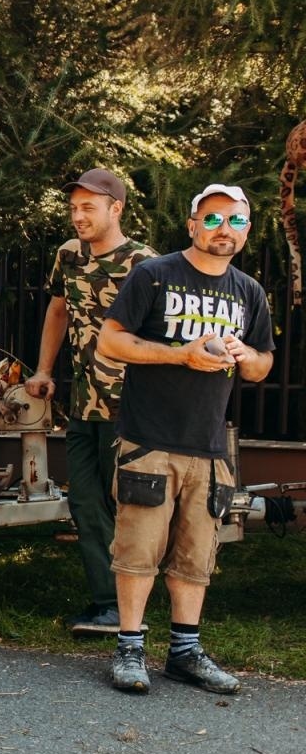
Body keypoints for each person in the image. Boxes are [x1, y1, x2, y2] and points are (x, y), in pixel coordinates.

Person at [96, 183, 274, 695]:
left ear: (247, 230)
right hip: (149, 439)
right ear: (193, 224)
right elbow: (111, 341)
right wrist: (182, 354)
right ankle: (130, 648)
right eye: (213, 218)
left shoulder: (250, 292)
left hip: (209, 446)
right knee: (138, 550)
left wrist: (244, 354)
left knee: (196, 557)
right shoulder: (155, 274)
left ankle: (184, 653)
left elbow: (262, 364)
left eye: (235, 220)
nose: (224, 229)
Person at [23, 169, 156, 637]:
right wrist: (43, 370)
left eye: (88, 207)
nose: (78, 216)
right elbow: (59, 309)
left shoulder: (145, 263)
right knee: (84, 502)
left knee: (129, 505)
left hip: (133, 407)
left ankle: (128, 603)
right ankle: (108, 604)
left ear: (115, 209)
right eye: (74, 208)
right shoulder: (68, 254)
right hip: (84, 404)